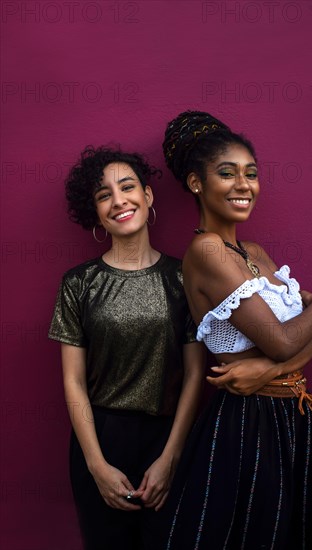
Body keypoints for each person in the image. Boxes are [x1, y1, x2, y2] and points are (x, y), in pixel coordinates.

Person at [160, 111, 312, 549]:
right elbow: (284, 340)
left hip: (295, 412)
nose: (244, 185)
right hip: (250, 424)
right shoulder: (207, 250)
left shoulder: (253, 251)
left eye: (251, 174)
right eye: (227, 174)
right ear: (196, 183)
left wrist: (269, 372)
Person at [48, 145, 206, 550]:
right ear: (97, 212)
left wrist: (170, 458)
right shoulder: (78, 283)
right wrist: (96, 465)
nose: (118, 201)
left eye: (127, 187)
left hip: (168, 438)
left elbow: (194, 375)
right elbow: (73, 380)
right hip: (100, 438)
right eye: (104, 195)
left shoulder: (182, 278)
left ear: (148, 196)